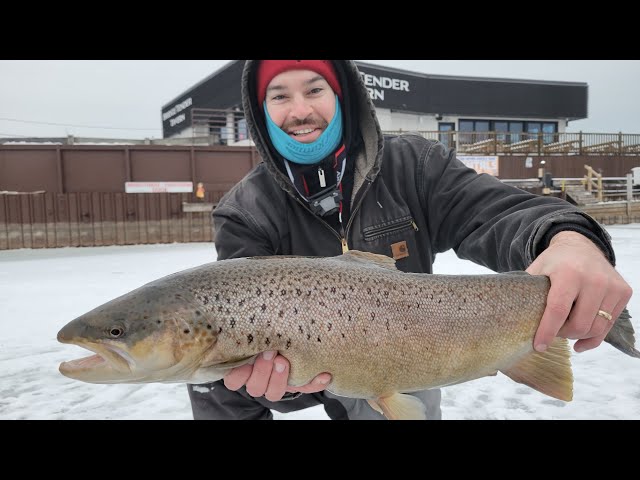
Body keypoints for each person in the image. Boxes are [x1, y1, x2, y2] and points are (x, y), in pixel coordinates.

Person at [187, 60, 632, 420]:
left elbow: (496, 212)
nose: (299, 110)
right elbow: (242, 364)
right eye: (279, 96)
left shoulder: (413, 166)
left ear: (343, 97)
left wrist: (568, 238)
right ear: (262, 112)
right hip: (309, 364)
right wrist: (279, 390)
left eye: (315, 89)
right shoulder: (244, 212)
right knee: (213, 380)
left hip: (413, 355)